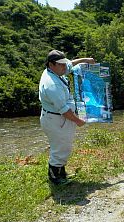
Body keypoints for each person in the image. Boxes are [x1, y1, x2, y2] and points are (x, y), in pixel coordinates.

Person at [39, 49, 95, 185]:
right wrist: (78, 121)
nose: (65, 67)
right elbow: (63, 110)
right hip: (56, 119)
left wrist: (85, 60)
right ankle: (55, 178)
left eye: (64, 64)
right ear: (51, 64)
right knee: (60, 148)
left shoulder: (57, 70)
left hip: (59, 118)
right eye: (61, 65)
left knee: (63, 146)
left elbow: (71, 64)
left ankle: (60, 172)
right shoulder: (51, 84)